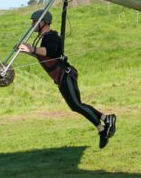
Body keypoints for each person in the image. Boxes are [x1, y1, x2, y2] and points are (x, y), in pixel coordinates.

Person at [18, 9, 117, 148]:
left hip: (66, 75)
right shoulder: (44, 39)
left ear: (43, 22)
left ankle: (103, 128)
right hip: (60, 78)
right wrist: (26, 50)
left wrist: (32, 49)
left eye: (35, 21)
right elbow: (44, 55)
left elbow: (50, 51)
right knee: (75, 106)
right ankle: (106, 120)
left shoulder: (51, 37)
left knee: (77, 104)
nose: (32, 24)